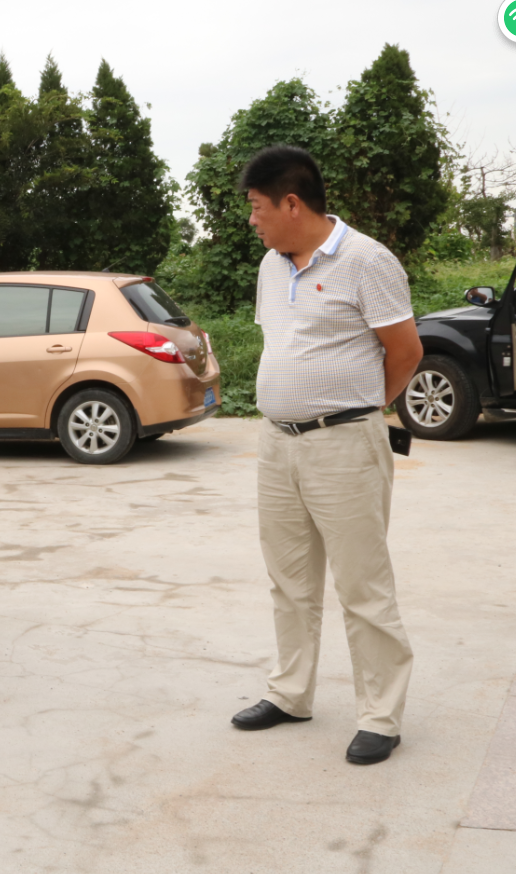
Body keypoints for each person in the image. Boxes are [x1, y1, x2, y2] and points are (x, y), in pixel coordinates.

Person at [230, 146, 423, 765]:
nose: (252, 220)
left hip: (344, 444)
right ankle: (290, 694)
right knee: (289, 580)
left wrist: (358, 409)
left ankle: (381, 716)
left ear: (291, 203)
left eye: (257, 207)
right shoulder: (270, 266)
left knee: (363, 584)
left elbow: (406, 352)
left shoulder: (367, 260)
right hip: (276, 444)